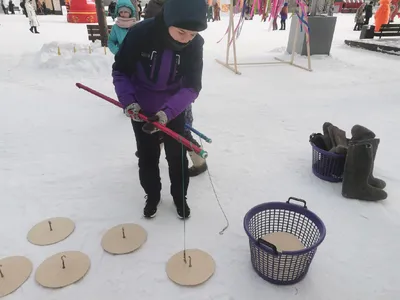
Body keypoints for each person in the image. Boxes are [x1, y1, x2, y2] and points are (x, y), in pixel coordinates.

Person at [112, 0, 207, 219]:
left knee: (177, 157)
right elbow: (121, 72)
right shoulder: (140, 33)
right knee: (147, 156)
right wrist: (129, 102)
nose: (186, 39)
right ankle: (152, 196)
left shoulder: (195, 43)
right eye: (182, 32)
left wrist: (168, 113)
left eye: (192, 34)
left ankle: (179, 197)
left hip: (173, 110)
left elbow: (193, 86)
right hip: (141, 110)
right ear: (168, 21)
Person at [139, 0, 208, 177]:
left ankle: (199, 161)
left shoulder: (179, 18)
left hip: (178, 97)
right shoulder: (154, 17)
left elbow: (192, 81)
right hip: (157, 94)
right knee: (158, 126)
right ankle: (150, 149)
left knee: (181, 132)